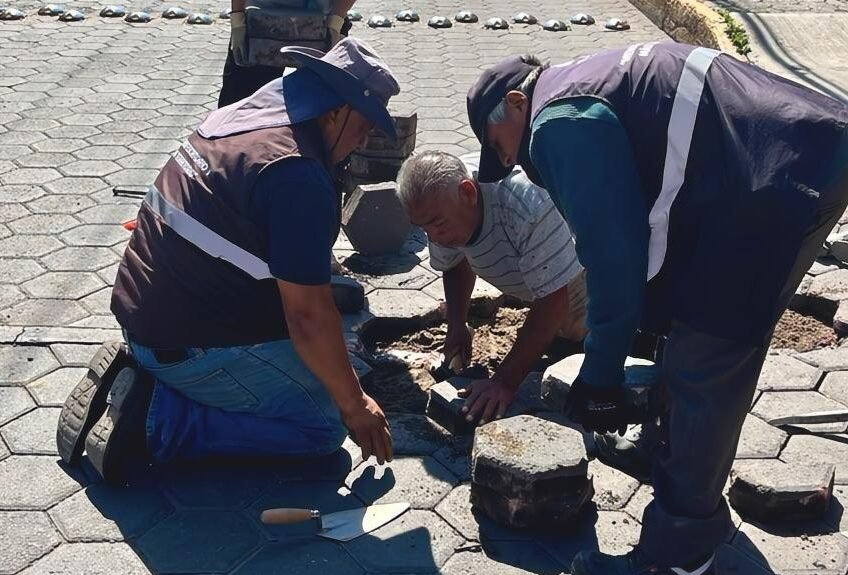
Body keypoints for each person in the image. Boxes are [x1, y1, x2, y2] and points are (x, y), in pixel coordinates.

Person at [466, 41, 848, 575]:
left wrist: (600, 375)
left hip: (777, 180)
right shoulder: (585, 82)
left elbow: (613, 258)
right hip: (789, 160)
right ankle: (668, 454)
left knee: (709, 356)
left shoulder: (559, 120)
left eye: (498, 146)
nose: (508, 162)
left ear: (514, 103)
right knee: (688, 315)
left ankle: (678, 566)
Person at [56, 38, 400, 486]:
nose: (362, 140)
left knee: (332, 359)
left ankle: (150, 377)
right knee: (322, 424)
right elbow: (308, 318)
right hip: (185, 343)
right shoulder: (297, 172)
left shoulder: (240, 118)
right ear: (336, 111)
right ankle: (155, 420)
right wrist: (355, 405)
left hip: (146, 315)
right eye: (364, 126)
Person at [396, 150, 588, 424]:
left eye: (438, 225)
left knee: (576, 333)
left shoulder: (528, 204)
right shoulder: (442, 203)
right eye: (423, 228)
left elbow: (553, 302)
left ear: (468, 192)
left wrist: (504, 382)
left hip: (585, 266)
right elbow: (454, 263)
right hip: (538, 266)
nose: (433, 237)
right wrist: (457, 326)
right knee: (543, 300)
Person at [219, 0, 357, 107]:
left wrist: (337, 19)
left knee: (324, 110)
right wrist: (238, 18)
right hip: (261, 22)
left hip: (324, 20)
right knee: (239, 105)